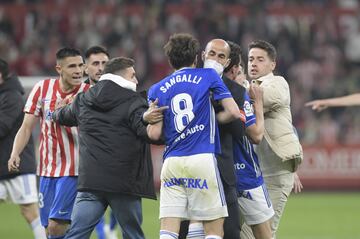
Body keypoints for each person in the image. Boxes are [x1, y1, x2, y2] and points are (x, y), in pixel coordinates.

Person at [52, 57, 166, 239]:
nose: (136, 81)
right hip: (124, 184)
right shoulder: (134, 102)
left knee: (76, 234)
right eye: (133, 76)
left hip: (91, 182)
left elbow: (63, 115)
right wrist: (151, 120)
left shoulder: (83, 99)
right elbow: (147, 132)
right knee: (133, 234)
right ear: (121, 77)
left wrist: (55, 112)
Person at [147, 33, 241, 239]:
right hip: (202, 158)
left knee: (170, 229)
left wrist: (147, 118)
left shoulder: (156, 89)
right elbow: (234, 112)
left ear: (170, 60)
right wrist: (210, 120)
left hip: (171, 162)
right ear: (197, 57)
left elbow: (154, 133)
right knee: (214, 228)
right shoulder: (208, 76)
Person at [8, 47, 90, 239]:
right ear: (59, 69)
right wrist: (15, 153)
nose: (78, 70)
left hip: (75, 169)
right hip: (46, 170)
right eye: (72, 66)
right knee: (49, 229)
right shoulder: (42, 89)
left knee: (55, 226)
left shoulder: (88, 93)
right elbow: (26, 126)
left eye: (80, 65)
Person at [246, 40, 303, 238]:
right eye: (251, 59)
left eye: (260, 59)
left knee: (263, 233)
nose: (253, 63)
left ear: (272, 65)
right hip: (256, 173)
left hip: (275, 172)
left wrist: (227, 84)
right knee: (248, 233)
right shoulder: (247, 87)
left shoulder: (277, 83)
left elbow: (259, 98)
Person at [223, 42, 274, 239]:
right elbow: (256, 135)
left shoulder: (208, 90)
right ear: (236, 69)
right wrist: (258, 104)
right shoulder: (239, 93)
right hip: (246, 174)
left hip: (218, 175)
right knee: (264, 235)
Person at [0, 58, 46, 239]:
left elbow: (2, 127)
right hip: (3, 165)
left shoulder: (11, 96)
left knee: (30, 212)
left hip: (17, 166)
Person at [84, 45, 119, 239]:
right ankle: (104, 235)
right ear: (85, 68)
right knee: (91, 204)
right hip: (89, 161)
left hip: (117, 159)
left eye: (104, 63)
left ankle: (111, 228)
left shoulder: (123, 90)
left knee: (122, 206)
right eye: (95, 63)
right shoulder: (79, 94)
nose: (100, 67)